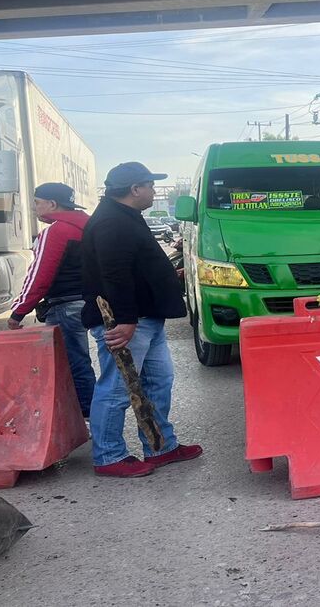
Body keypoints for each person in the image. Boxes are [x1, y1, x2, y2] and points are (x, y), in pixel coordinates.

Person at [82, 162, 202, 478]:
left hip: (147, 319)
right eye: (150, 185)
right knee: (117, 388)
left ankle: (160, 446)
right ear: (135, 189)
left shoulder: (124, 216)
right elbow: (115, 274)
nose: (153, 190)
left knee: (158, 382)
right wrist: (126, 319)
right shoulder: (111, 222)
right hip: (126, 322)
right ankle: (108, 456)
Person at [7, 183, 95, 418]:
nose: (34, 208)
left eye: (37, 202)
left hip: (64, 306)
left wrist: (19, 311)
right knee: (83, 361)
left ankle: (87, 417)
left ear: (52, 204)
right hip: (90, 303)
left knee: (72, 364)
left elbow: (39, 276)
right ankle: (96, 414)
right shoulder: (90, 226)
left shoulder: (55, 232)